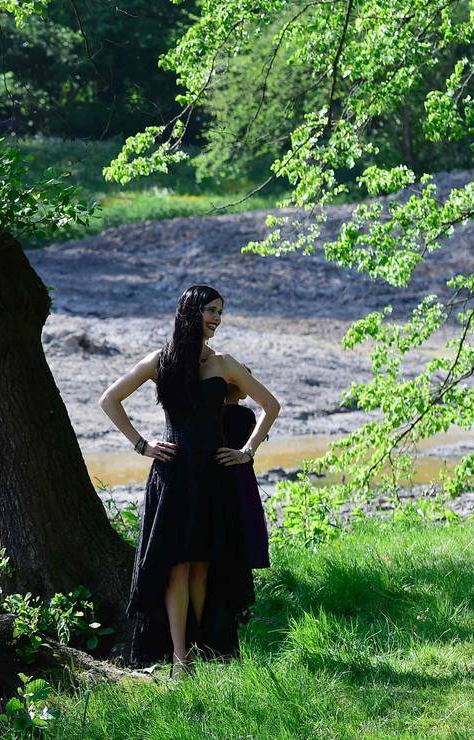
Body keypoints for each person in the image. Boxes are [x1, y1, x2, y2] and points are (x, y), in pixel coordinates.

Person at [98, 284, 279, 672]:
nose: (216, 318)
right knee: (177, 567)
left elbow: (270, 406)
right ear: (191, 312)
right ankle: (182, 660)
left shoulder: (225, 364)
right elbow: (109, 400)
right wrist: (142, 445)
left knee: (202, 567)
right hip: (173, 475)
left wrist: (247, 453)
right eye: (210, 310)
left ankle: (200, 649)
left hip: (214, 476)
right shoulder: (160, 361)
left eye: (220, 312)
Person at [223, 379, 270, 570]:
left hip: (219, 471)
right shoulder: (245, 414)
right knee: (246, 518)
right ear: (239, 387)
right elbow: (256, 436)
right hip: (241, 472)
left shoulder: (214, 414)